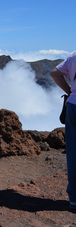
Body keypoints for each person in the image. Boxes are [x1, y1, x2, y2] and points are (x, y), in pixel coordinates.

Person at [51, 51, 76, 210]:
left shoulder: (74, 55)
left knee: (73, 153)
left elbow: (55, 73)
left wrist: (70, 92)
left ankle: (74, 199)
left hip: (74, 106)